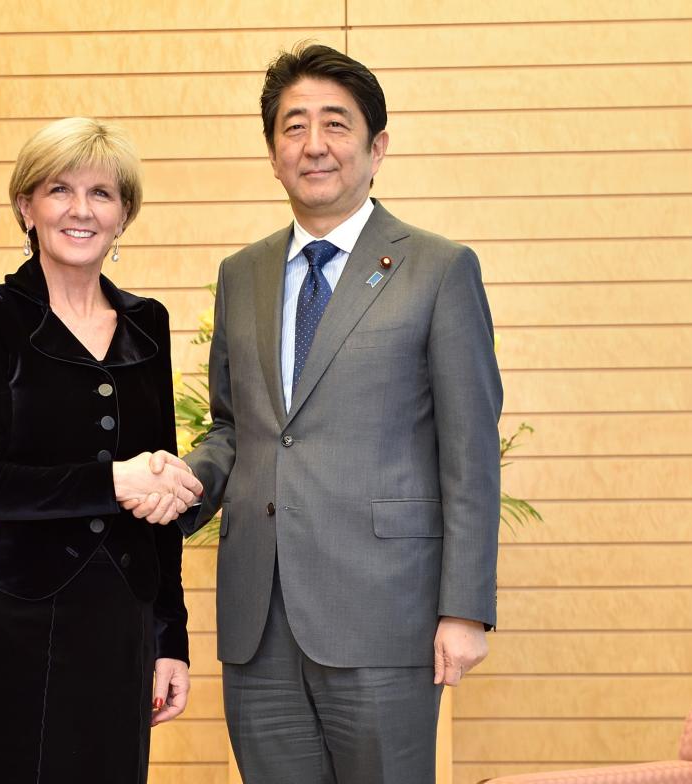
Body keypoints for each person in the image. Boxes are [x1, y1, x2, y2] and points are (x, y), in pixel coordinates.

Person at [129, 44, 503, 782]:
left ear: (376, 147)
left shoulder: (439, 267)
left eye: (336, 124)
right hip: (258, 619)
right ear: (272, 154)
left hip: (385, 614)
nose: (314, 144)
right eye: (293, 127)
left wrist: (465, 609)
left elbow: (470, 448)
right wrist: (185, 482)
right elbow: (239, 426)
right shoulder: (244, 273)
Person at [0, 116, 202, 783]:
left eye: (102, 194)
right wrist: (113, 480)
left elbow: (161, 497)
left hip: (123, 622)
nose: (80, 210)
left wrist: (170, 638)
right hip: (24, 620)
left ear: (124, 215)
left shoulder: (148, 324)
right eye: (59, 190)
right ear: (26, 206)